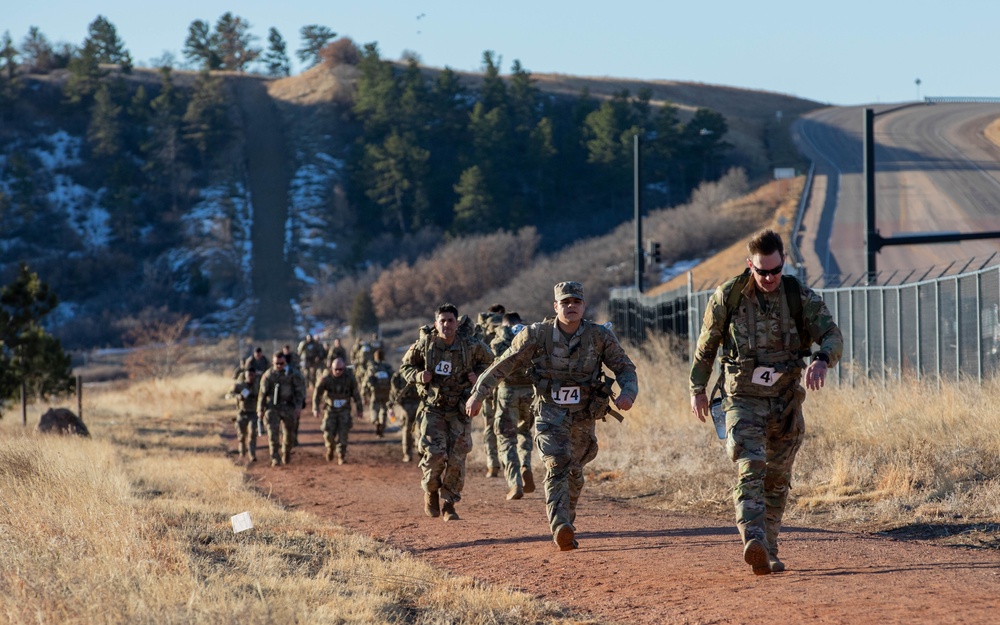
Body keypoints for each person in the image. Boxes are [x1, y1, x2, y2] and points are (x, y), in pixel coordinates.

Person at [689, 228, 844, 575]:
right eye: (762, 271)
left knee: (777, 479)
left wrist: (822, 359)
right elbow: (706, 346)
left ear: (783, 263)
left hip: (785, 402)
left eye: (775, 270)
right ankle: (753, 537)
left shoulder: (798, 296)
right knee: (751, 465)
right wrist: (697, 389)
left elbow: (832, 334)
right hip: (742, 399)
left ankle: (769, 549)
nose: (769, 277)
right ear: (750, 265)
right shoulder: (727, 296)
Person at [467, 282, 637, 551]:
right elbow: (504, 364)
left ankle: (567, 520)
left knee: (575, 471)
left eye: (576, 302)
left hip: (584, 413)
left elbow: (625, 367)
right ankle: (559, 526)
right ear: (555, 306)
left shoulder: (599, 336)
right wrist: (479, 393)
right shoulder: (536, 334)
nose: (571, 307)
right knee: (556, 463)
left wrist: (628, 392)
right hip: (550, 411)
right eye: (565, 302)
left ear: (583, 306)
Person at [401, 304, 493, 522]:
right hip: (434, 408)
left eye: (450, 320)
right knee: (435, 454)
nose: (446, 325)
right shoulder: (425, 345)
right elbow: (406, 367)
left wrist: (478, 375)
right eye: (442, 321)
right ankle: (431, 491)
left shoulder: (471, 345)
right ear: (436, 324)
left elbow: (492, 363)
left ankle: (450, 504)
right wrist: (418, 375)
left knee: (457, 457)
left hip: (460, 409)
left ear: (457, 323)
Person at [489, 311, 536, 500]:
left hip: (507, 392)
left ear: (504, 324)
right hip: (530, 392)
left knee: (506, 437)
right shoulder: (530, 336)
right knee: (524, 432)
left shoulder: (498, 342)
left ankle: (514, 482)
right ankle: (526, 464)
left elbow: (492, 364)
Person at [256, 351, 306, 466]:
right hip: (272, 407)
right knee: (273, 434)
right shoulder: (268, 375)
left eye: (281, 363)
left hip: (288, 406)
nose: (279, 366)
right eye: (276, 364)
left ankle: (286, 452)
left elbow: (299, 392)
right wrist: (260, 409)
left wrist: (298, 407)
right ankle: (275, 458)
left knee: (289, 435)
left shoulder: (293, 374)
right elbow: (262, 394)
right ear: (273, 363)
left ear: (285, 362)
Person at [313, 357, 363, 464]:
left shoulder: (349, 378)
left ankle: (341, 455)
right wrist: (315, 408)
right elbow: (317, 393)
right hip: (330, 410)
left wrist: (360, 409)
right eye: (336, 369)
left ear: (344, 368)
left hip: (344, 410)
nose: (338, 372)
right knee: (328, 434)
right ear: (332, 368)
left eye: (340, 369)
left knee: (343, 434)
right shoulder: (326, 378)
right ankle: (330, 448)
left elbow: (356, 395)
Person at [475, 304, 506, 478]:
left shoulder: (482, 331)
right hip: (508, 383)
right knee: (508, 425)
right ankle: (508, 460)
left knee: (489, 425)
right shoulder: (509, 327)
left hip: (487, 383)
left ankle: (492, 464)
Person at [226, 368, 260, 462]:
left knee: (253, 433)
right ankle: (242, 453)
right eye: (248, 375)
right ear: (245, 375)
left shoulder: (258, 385)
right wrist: (238, 396)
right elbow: (228, 395)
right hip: (242, 412)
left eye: (252, 375)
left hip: (253, 412)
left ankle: (252, 454)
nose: (250, 377)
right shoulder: (240, 385)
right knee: (241, 435)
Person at [388, 369, 421, 462]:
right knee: (419, 430)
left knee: (407, 430)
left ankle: (408, 454)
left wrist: (391, 405)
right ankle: (418, 452)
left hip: (407, 405)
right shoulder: (420, 371)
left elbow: (393, 391)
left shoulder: (399, 374)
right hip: (417, 404)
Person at [363, 348, 395, 438]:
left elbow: (366, 380)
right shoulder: (387, 367)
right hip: (386, 391)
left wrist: (364, 394)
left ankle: (376, 421)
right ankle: (382, 424)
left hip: (375, 391)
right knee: (384, 410)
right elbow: (393, 379)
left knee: (374, 408)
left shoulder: (372, 367)